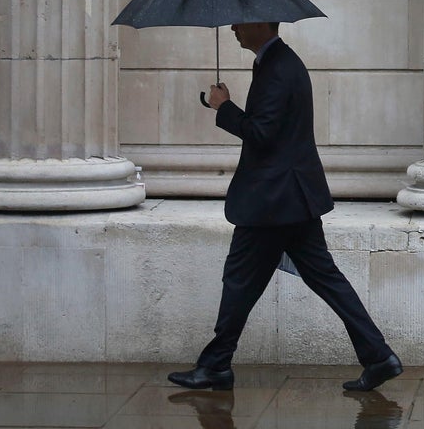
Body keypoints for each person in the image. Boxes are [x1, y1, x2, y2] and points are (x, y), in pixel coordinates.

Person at [168, 21, 403, 392]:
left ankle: (215, 366)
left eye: (240, 23)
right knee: (316, 278)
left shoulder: (279, 66)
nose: (232, 28)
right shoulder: (276, 62)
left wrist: (224, 107)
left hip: (273, 201)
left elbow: (262, 133)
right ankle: (378, 356)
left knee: (240, 280)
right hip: (288, 199)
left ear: (261, 24)